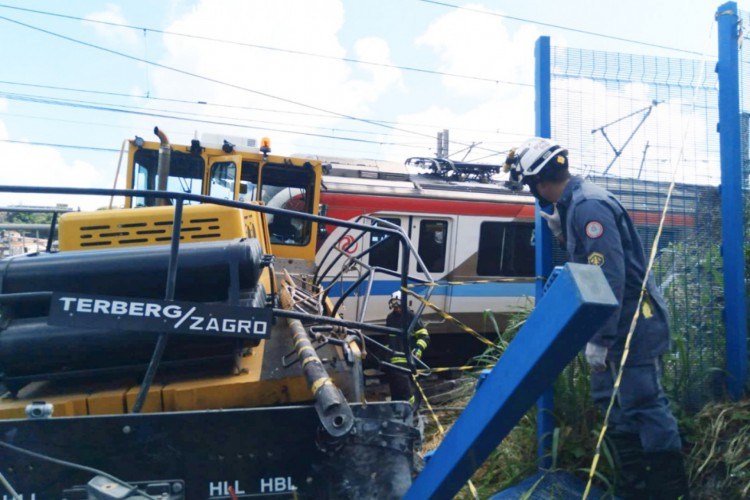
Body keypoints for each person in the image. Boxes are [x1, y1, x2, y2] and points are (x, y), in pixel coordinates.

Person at [506, 137, 689, 499]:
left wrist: (599, 338)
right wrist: (565, 230)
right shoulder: (575, 206)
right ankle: (634, 490)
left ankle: (670, 492)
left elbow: (609, 277)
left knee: (644, 405)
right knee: (615, 409)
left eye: (531, 185)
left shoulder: (589, 206)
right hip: (614, 325)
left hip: (632, 326)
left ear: (540, 182)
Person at [385, 290, 430, 408]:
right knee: (395, 388)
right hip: (393, 359)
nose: (396, 308)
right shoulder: (390, 318)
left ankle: (413, 408)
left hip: (407, 359)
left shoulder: (411, 316)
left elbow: (424, 335)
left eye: (398, 305)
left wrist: (418, 349)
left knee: (405, 388)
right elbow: (389, 338)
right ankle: (397, 409)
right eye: (394, 305)